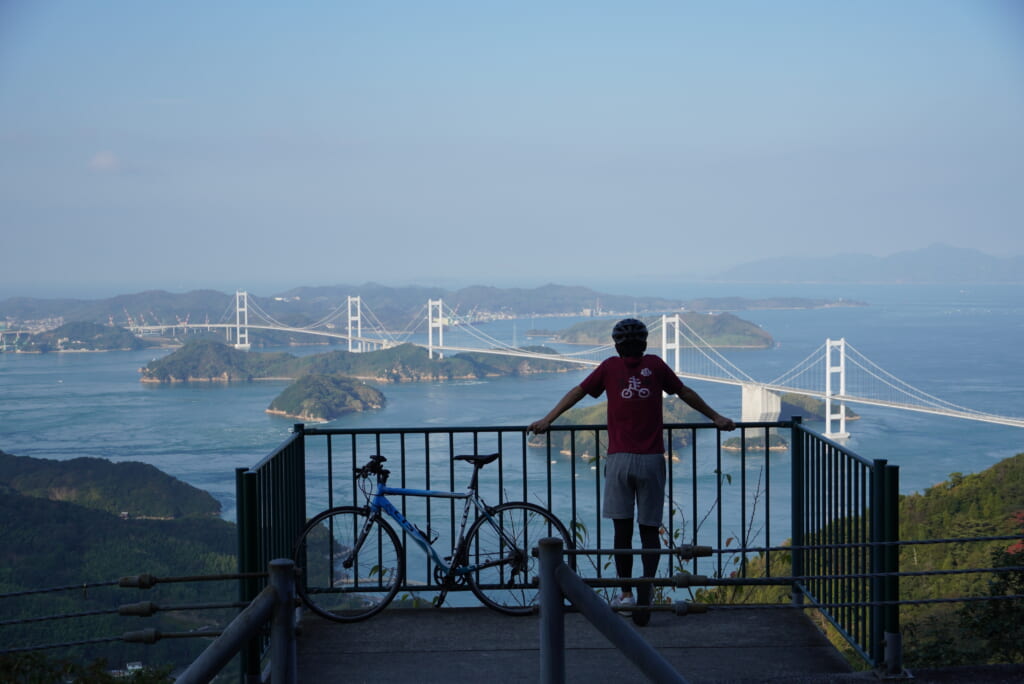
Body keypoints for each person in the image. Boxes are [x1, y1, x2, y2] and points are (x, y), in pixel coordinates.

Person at [529, 318, 736, 618]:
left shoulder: (609, 367)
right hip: (652, 459)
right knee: (650, 530)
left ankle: (625, 595)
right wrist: (717, 417)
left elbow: (578, 392)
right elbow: (685, 393)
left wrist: (548, 419)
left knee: (621, 530)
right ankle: (646, 588)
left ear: (616, 345)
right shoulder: (657, 365)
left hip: (619, 460)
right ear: (645, 343)